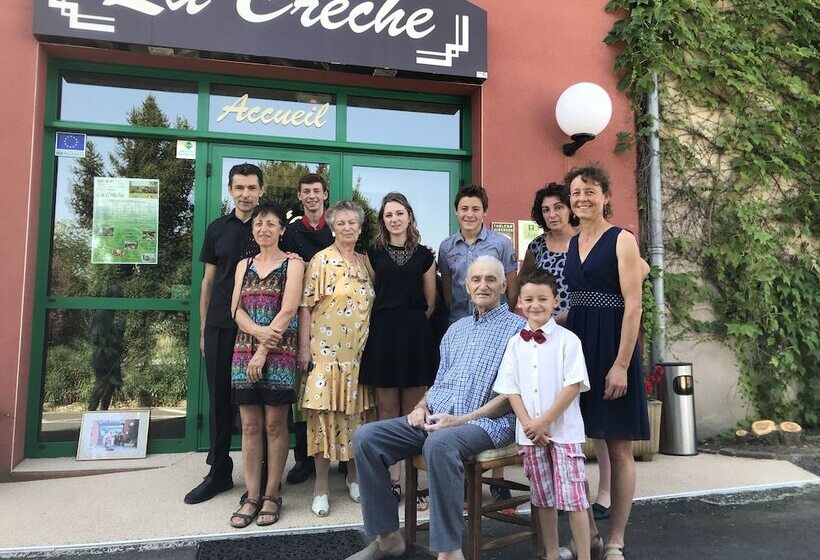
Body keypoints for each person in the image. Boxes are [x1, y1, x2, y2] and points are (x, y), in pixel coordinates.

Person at [347, 256, 525, 560]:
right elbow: (440, 383)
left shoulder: (518, 331)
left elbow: (513, 396)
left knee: (440, 444)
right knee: (366, 437)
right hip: (437, 416)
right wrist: (420, 406)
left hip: (486, 423)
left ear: (503, 285)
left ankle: (449, 551)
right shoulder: (456, 330)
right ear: (466, 287)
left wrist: (461, 420)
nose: (483, 285)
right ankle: (387, 537)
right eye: (476, 279)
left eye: (491, 279)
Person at [563, 165, 649, 560]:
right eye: (576, 193)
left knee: (618, 449)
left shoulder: (622, 239)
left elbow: (633, 307)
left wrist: (621, 365)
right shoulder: (573, 242)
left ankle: (616, 540)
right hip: (579, 351)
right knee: (573, 448)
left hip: (613, 348)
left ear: (606, 196)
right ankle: (590, 535)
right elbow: (579, 304)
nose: (582, 198)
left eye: (590, 191)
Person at [519, 182, 614, 519]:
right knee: (558, 410)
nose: (552, 214)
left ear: (569, 208)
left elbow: (633, 269)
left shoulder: (587, 239)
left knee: (595, 414)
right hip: (548, 339)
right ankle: (567, 490)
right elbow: (524, 285)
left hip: (586, 331)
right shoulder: (536, 246)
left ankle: (604, 493)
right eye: (545, 210)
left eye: (558, 207)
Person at [493, 269, 598, 560]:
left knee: (574, 499)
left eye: (542, 299)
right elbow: (511, 389)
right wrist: (529, 424)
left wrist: (544, 422)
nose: (535, 305)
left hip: (562, 433)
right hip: (530, 435)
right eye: (528, 299)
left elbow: (573, 385)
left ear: (555, 301)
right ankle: (552, 553)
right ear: (519, 302)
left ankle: (585, 555)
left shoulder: (568, 340)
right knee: (543, 497)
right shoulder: (514, 344)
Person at [185, 163, 263, 505]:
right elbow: (208, 282)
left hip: (258, 327)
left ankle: (261, 475)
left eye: (252, 187)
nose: (246, 194)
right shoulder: (217, 229)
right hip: (220, 324)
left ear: (261, 190)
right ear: (230, 190)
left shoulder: (269, 227)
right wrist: (204, 330)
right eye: (239, 187)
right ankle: (219, 471)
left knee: (256, 401)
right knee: (219, 400)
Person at [438, 184, 519, 501]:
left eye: (476, 208)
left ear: (484, 212)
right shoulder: (447, 247)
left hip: (497, 328)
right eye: (464, 208)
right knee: (462, 392)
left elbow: (510, 288)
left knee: (497, 392)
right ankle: (462, 477)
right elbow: (448, 292)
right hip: (462, 325)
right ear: (456, 212)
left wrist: (504, 322)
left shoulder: (501, 243)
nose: (470, 214)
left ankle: (498, 480)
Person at [227, 203, 304, 528]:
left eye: (271, 224)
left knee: (275, 425)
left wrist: (262, 351)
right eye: (259, 224)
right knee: (249, 426)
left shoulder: (294, 264)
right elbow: (235, 309)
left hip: (280, 352)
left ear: (281, 230)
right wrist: (257, 335)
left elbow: (288, 310)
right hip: (244, 350)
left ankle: (272, 493)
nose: (264, 229)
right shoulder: (243, 265)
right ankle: (252, 495)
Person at [298, 200, 375, 517]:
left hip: (358, 358)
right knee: (323, 419)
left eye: (352, 222)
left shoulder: (365, 263)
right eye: (340, 223)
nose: (347, 227)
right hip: (326, 357)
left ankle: (353, 477)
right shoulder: (321, 260)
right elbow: (305, 306)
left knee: (356, 419)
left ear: (360, 228)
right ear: (332, 228)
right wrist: (304, 349)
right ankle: (321, 487)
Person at [360, 192, 437, 506]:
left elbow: (431, 303)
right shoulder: (372, 253)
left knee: (414, 413)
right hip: (383, 336)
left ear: (409, 216)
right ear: (383, 220)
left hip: (415, 336)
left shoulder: (425, 255)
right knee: (387, 412)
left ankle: (414, 484)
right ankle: (391, 481)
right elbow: (373, 293)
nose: (394, 219)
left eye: (399, 213)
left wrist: (410, 325)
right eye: (388, 214)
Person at [279, 173, 334, 485]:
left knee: (333, 390)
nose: (311, 196)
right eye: (306, 191)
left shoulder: (335, 229)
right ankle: (304, 458)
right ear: (299, 197)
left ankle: (340, 455)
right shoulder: (291, 232)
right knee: (303, 394)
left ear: (325, 194)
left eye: (316, 191)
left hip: (335, 321)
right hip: (301, 316)